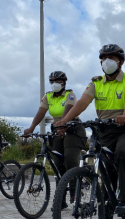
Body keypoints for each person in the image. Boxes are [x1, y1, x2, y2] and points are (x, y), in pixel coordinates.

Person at [55, 44, 125, 219]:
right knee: (106, 175)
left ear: (120, 62)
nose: (107, 62)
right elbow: (82, 103)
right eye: (104, 59)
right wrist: (65, 120)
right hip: (105, 133)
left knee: (122, 153)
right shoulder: (96, 84)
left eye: (112, 58)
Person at [23, 71, 86, 207]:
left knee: (69, 160)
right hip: (58, 131)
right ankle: (60, 199)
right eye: (52, 81)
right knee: (57, 164)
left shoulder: (69, 95)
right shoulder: (48, 96)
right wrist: (31, 128)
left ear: (64, 83)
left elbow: (68, 111)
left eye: (57, 81)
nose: (54, 84)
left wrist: (62, 124)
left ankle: (76, 195)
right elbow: (40, 113)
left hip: (72, 130)